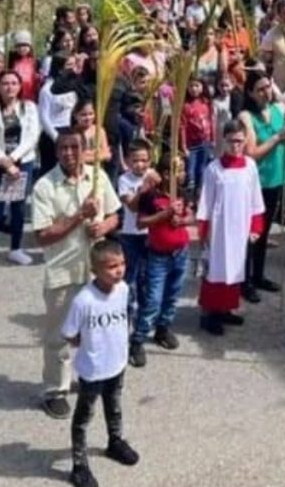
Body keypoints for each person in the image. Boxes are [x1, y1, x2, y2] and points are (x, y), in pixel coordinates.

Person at [32, 130, 121, 419]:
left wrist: (103, 227)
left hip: (96, 272)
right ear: (56, 152)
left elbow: (115, 215)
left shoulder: (97, 177)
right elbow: (43, 235)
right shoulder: (45, 186)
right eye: (62, 148)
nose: (68, 153)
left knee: (93, 331)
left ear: (84, 150)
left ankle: (86, 377)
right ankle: (54, 390)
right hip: (63, 272)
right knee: (59, 335)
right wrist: (80, 217)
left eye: (74, 147)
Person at [61, 239, 139, 487]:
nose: (119, 270)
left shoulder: (123, 290)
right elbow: (70, 333)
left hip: (116, 362)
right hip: (93, 369)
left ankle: (114, 441)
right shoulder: (83, 301)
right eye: (111, 266)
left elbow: (125, 316)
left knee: (114, 406)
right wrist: (88, 346)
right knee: (84, 416)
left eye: (122, 264)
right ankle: (79, 464)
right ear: (95, 269)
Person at [196, 120, 266, 336]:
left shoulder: (250, 166)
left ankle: (226, 307)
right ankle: (211, 314)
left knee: (235, 269)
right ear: (223, 141)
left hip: (241, 226)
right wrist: (204, 231)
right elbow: (206, 202)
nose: (235, 145)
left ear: (245, 141)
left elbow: (256, 198)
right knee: (217, 270)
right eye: (231, 141)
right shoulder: (214, 169)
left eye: (239, 141)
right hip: (219, 228)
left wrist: (256, 226)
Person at [129, 151, 192, 361]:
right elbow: (141, 222)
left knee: (172, 295)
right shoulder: (151, 196)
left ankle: (163, 329)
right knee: (152, 300)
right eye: (179, 170)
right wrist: (165, 215)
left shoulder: (182, 191)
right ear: (166, 174)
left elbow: (191, 215)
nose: (183, 174)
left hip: (180, 253)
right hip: (158, 256)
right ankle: (137, 339)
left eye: (183, 169)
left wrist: (182, 221)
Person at [0, 69, 41, 276]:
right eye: (5, 83)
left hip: (23, 162)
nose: (10, 87)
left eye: (14, 83)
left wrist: (13, 158)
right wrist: (4, 161)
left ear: (20, 86)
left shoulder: (29, 107)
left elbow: (32, 136)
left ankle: (16, 247)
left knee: (19, 207)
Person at [238, 72, 285, 302]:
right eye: (260, 89)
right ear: (250, 92)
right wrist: (278, 137)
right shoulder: (246, 117)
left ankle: (258, 274)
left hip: (277, 178)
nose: (266, 92)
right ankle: (245, 279)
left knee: (265, 230)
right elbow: (251, 153)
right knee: (252, 233)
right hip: (256, 182)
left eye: (268, 87)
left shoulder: (278, 111)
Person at [117, 139, 159, 320]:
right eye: (135, 160)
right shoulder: (124, 179)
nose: (140, 164)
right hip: (131, 234)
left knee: (147, 276)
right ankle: (126, 311)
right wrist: (143, 189)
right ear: (127, 161)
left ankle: (145, 313)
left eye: (144, 160)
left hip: (150, 233)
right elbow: (132, 206)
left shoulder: (153, 175)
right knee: (130, 275)